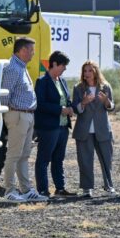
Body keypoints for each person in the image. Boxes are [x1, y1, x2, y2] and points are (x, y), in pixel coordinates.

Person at [1, 37, 47, 203]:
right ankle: (10, 191)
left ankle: (26, 190)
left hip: (26, 115)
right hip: (18, 115)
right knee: (14, 154)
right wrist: (7, 115)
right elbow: (5, 95)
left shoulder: (20, 66)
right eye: (31, 50)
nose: (33, 54)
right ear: (22, 50)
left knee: (24, 155)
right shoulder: (13, 68)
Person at [34, 51, 76, 199]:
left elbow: (66, 99)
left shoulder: (62, 81)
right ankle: (43, 190)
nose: (65, 69)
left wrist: (70, 108)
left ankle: (60, 188)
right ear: (54, 64)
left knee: (59, 159)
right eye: (63, 66)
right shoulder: (42, 81)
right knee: (44, 159)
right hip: (48, 127)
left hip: (63, 127)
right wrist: (60, 110)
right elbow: (40, 104)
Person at [72, 60, 116, 198]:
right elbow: (75, 109)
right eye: (85, 71)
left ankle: (109, 186)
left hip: (102, 129)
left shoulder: (105, 87)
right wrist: (83, 103)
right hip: (84, 130)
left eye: (90, 70)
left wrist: (106, 102)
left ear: (96, 71)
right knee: (85, 160)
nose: (87, 74)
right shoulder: (78, 88)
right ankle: (87, 188)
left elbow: (112, 107)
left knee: (106, 159)